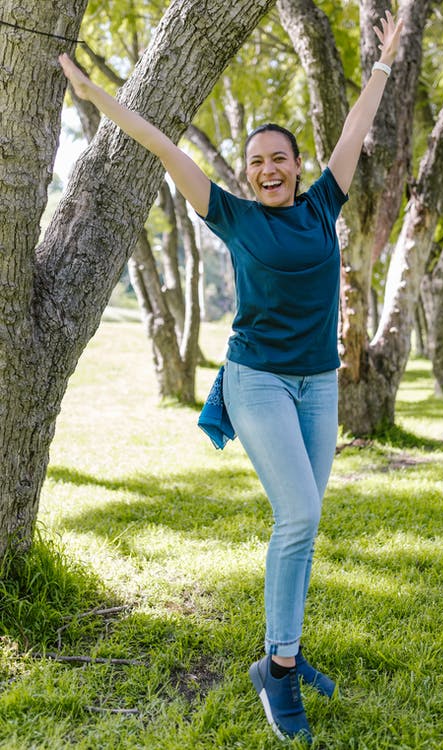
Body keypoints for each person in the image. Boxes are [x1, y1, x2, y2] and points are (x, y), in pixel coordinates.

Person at [59, 9, 403, 743]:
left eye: (279, 158)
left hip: (318, 385)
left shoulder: (321, 207)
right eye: (257, 162)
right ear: (246, 174)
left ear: (296, 167)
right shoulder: (231, 215)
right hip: (256, 382)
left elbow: (354, 133)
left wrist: (381, 64)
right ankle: (277, 674)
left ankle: (284, 651)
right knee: (299, 515)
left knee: (305, 526)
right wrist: (94, 96)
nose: (268, 169)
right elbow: (156, 139)